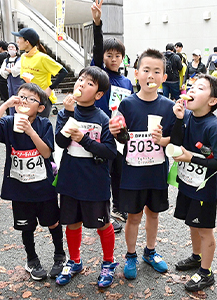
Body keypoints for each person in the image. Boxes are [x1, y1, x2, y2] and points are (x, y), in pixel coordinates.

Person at [0, 83, 66, 281]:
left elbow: (46, 152)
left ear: (40, 107)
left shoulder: (44, 124)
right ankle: (32, 260)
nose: (24, 100)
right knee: (26, 226)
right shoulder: (9, 122)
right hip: (19, 187)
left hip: (44, 186)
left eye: (31, 98)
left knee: (53, 222)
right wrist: (4, 106)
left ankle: (59, 256)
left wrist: (30, 131)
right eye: (21, 96)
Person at [109, 49, 176, 280]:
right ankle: (130, 255)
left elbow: (174, 140)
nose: (151, 75)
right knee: (134, 216)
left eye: (157, 71)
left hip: (156, 172)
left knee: (154, 215)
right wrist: (116, 131)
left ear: (164, 78)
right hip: (132, 173)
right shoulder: (126, 104)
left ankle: (150, 251)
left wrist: (163, 140)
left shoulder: (169, 107)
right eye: (146, 70)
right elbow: (121, 138)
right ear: (137, 73)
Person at [55, 66, 118, 288]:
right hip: (70, 179)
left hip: (95, 181)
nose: (81, 84)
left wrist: (83, 139)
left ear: (99, 94)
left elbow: (110, 151)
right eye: (81, 79)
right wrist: (69, 114)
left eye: (89, 83)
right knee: (72, 223)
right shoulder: (65, 112)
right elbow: (61, 143)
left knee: (102, 224)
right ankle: (74, 261)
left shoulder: (103, 118)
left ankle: (109, 262)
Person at [170, 74, 217, 291]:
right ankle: (196, 257)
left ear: (212, 101)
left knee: (205, 229)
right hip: (188, 183)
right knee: (192, 223)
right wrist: (179, 118)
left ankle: (206, 272)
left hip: (205, 189)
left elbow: (215, 160)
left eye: (200, 88)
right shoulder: (187, 116)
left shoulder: (213, 126)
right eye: (191, 86)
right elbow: (177, 142)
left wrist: (192, 157)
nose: (192, 90)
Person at [91, 0, 134, 233]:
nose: (114, 58)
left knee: (119, 170)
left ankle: (119, 207)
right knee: (102, 171)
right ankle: (104, 212)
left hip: (121, 133)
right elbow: (97, 49)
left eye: (118, 55)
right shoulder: (100, 74)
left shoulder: (127, 81)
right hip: (101, 131)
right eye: (110, 54)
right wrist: (97, 24)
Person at [12, 27, 68, 118]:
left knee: (40, 128)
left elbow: (63, 72)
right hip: (29, 98)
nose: (17, 41)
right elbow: (23, 78)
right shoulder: (23, 57)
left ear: (27, 42)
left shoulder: (42, 58)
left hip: (42, 99)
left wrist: (50, 88)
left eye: (19, 38)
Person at [0, 42, 24, 115]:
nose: (11, 49)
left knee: (19, 97)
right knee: (11, 99)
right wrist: (9, 70)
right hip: (9, 82)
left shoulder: (20, 59)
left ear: (16, 50)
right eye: (9, 47)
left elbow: (16, 70)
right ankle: (12, 115)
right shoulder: (6, 60)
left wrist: (8, 70)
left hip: (18, 82)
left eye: (12, 47)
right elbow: (2, 71)